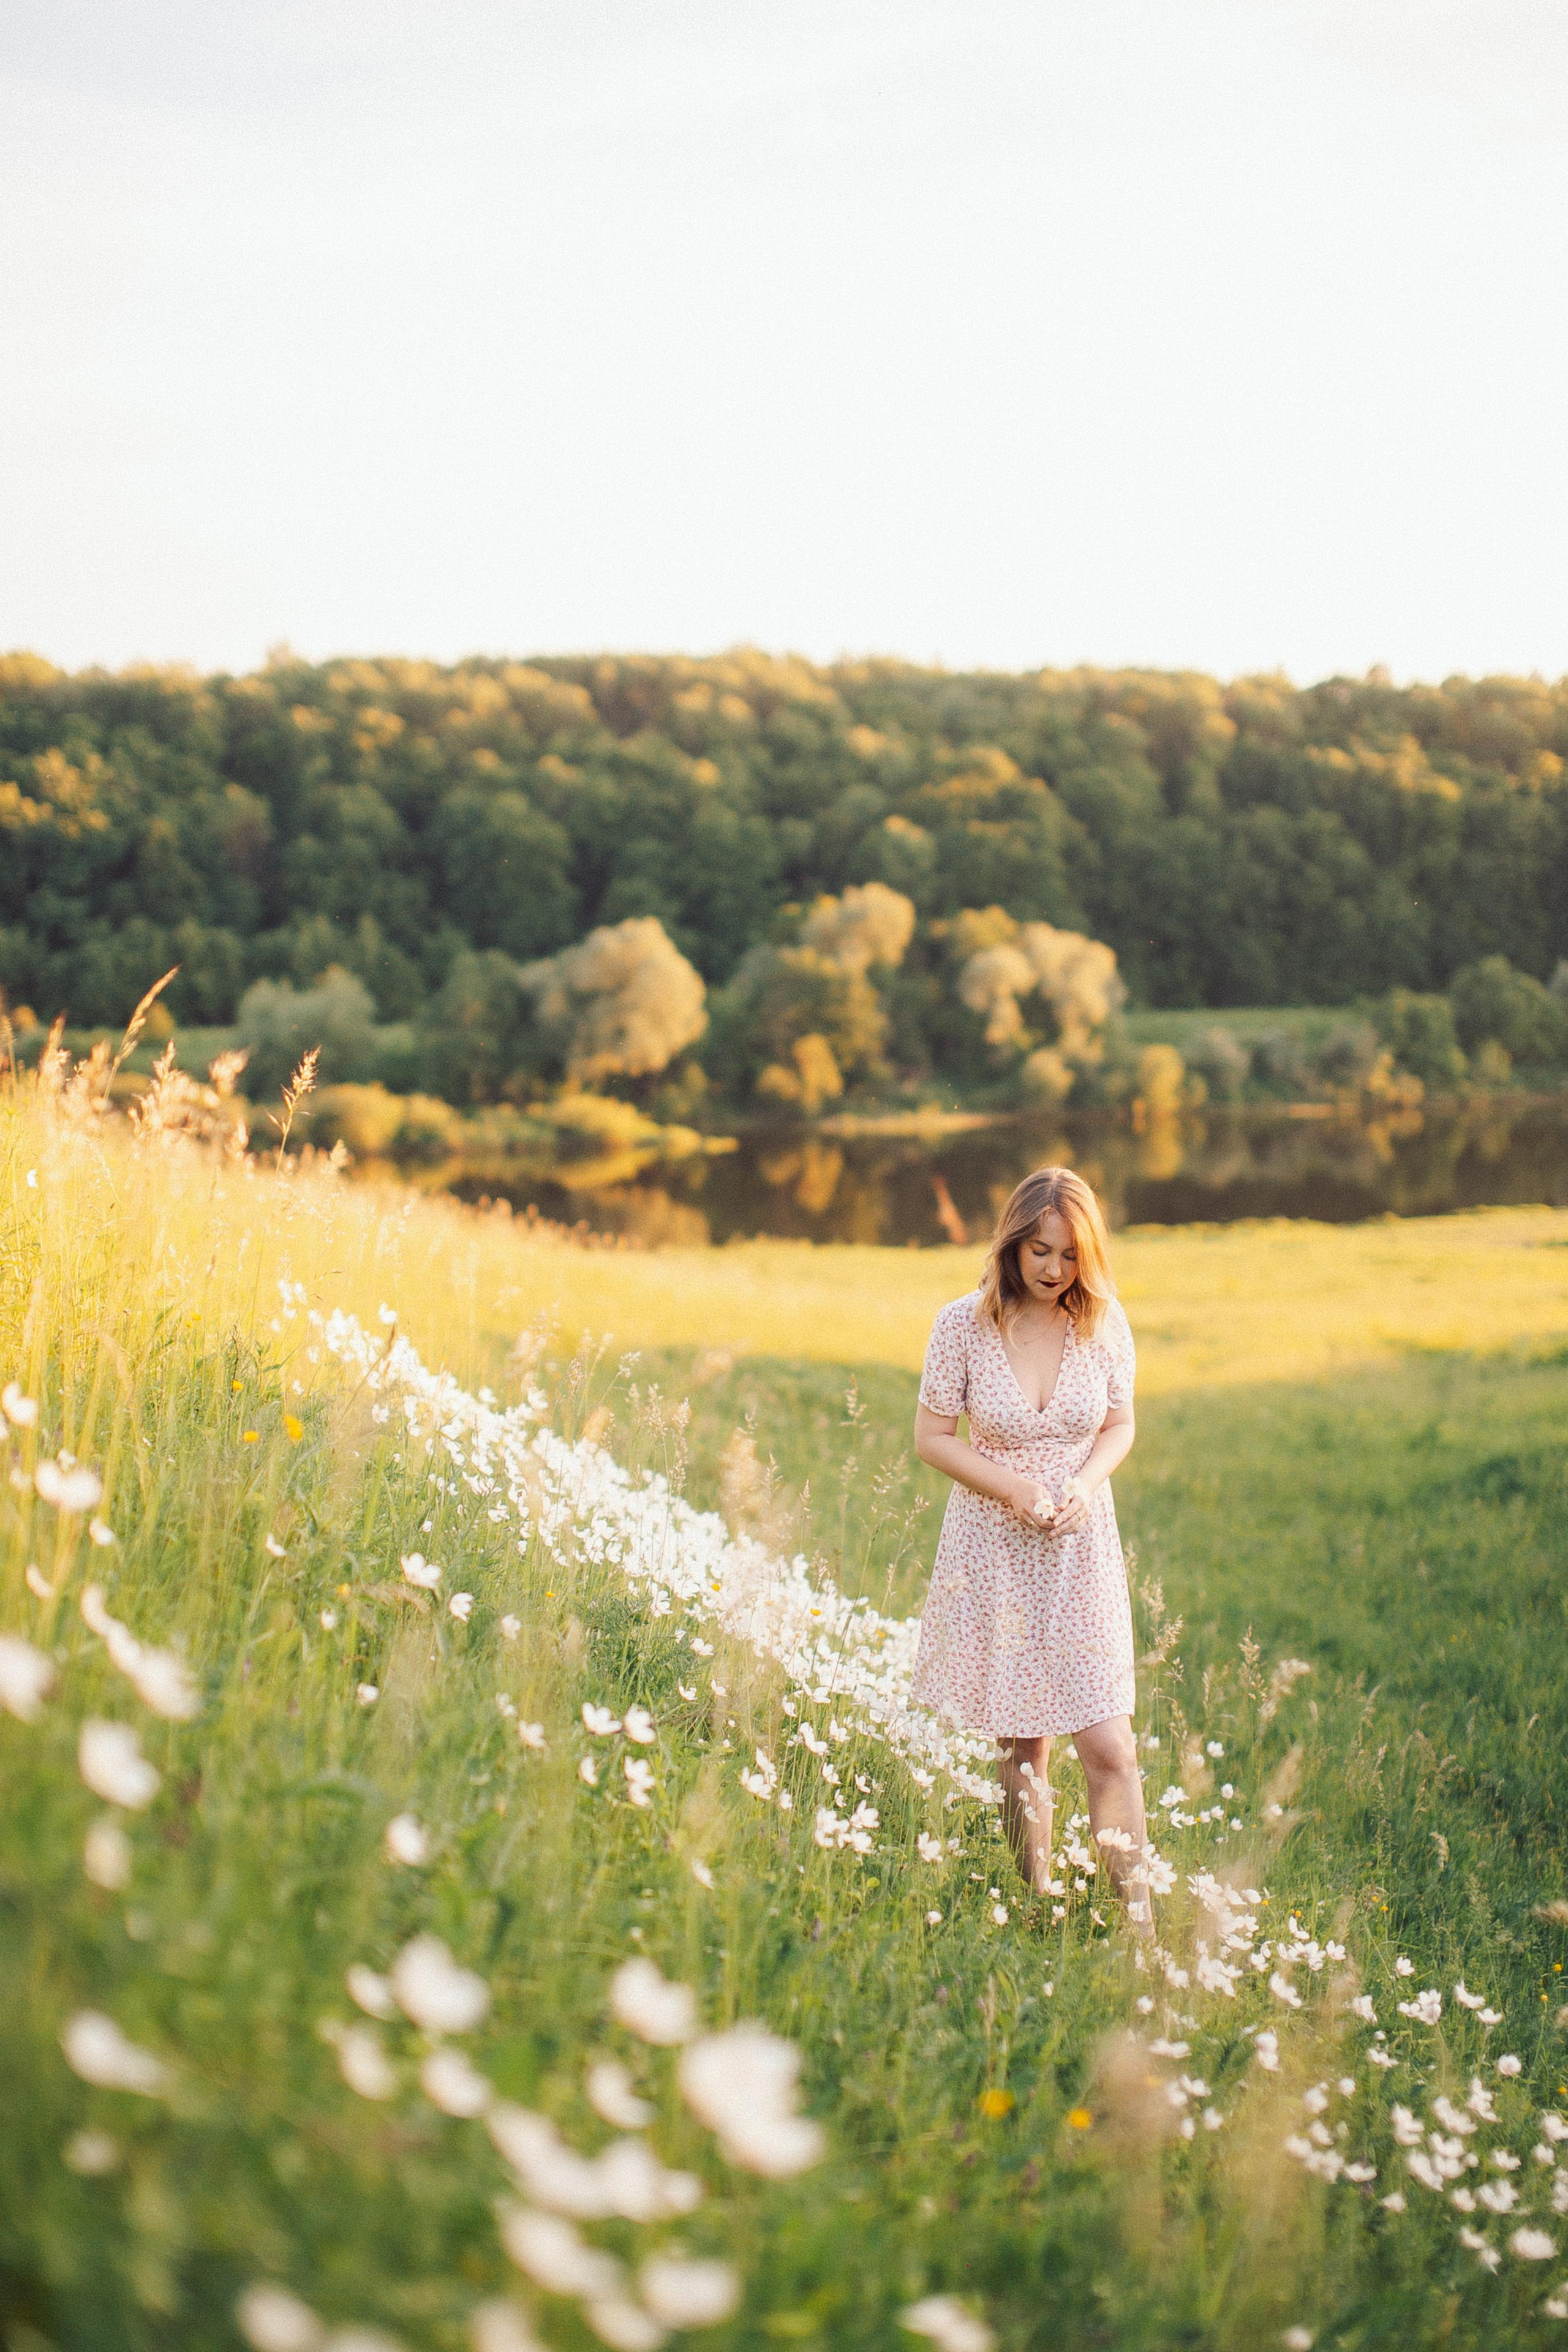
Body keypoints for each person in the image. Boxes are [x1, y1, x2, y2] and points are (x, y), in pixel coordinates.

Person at [912, 1165, 1149, 1923]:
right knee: (1023, 1746)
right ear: (1013, 1244)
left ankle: (1138, 1929)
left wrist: (1083, 1484)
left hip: (1081, 1550)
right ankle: (1038, 1898)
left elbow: (1120, 1424)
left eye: (1070, 1255)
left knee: (1110, 1746)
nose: (1053, 1270)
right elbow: (930, 1439)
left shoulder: (1103, 1323)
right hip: (998, 1551)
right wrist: (1011, 1487)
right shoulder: (962, 1325)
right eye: (1039, 1252)